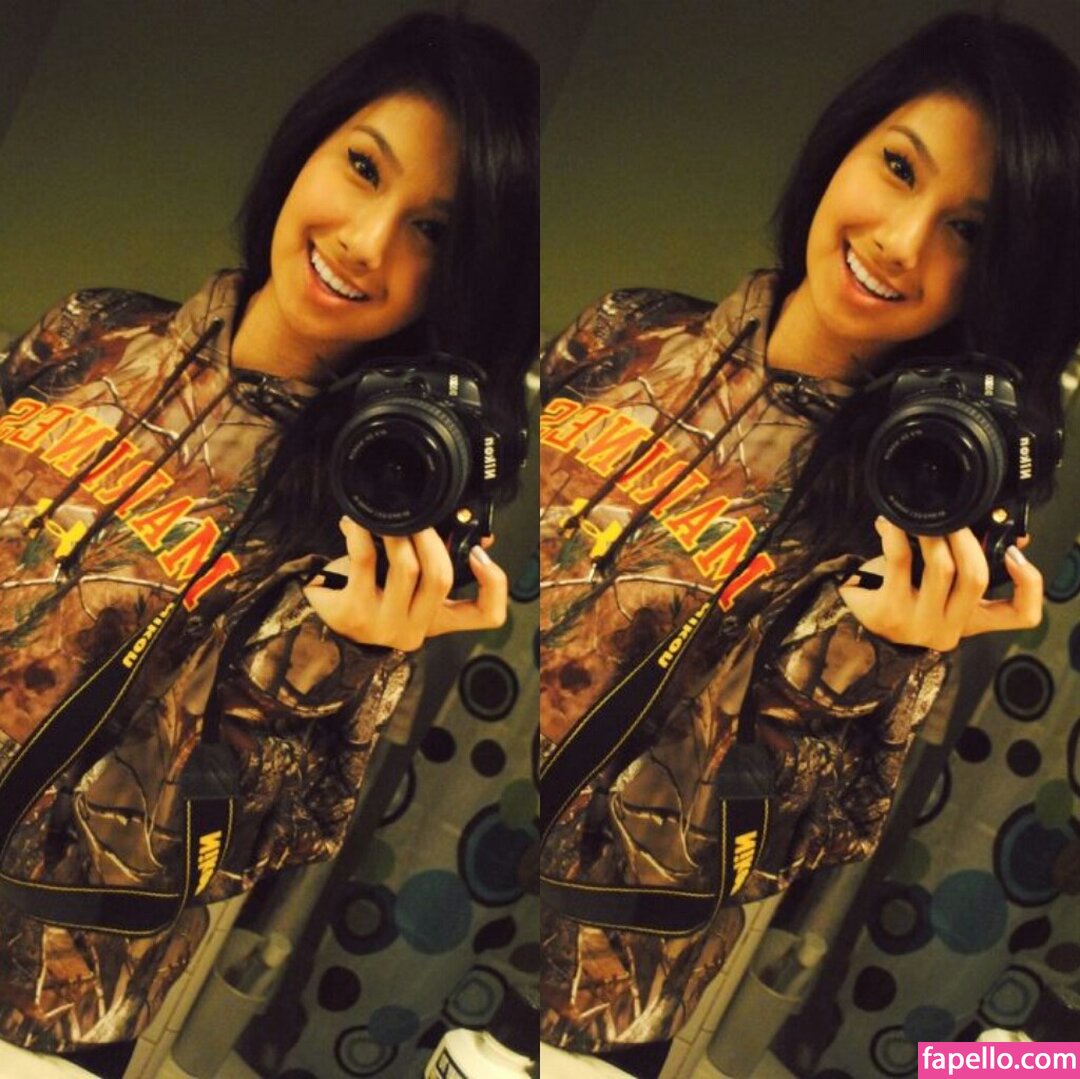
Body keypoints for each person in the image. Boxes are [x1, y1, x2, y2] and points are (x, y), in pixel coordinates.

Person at [538, 11, 1079, 1075]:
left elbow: (752, 860)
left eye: (970, 231)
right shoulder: (629, 330)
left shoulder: (910, 517)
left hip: (581, 1020)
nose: (901, 241)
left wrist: (867, 661)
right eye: (898, 167)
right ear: (846, 141)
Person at [0, 9, 538, 1071]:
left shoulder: (379, 511)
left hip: (39, 1010)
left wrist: (338, 663)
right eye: (363, 167)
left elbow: (232, 851)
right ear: (310, 141)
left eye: (434, 230)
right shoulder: (94, 331)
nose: (366, 242)